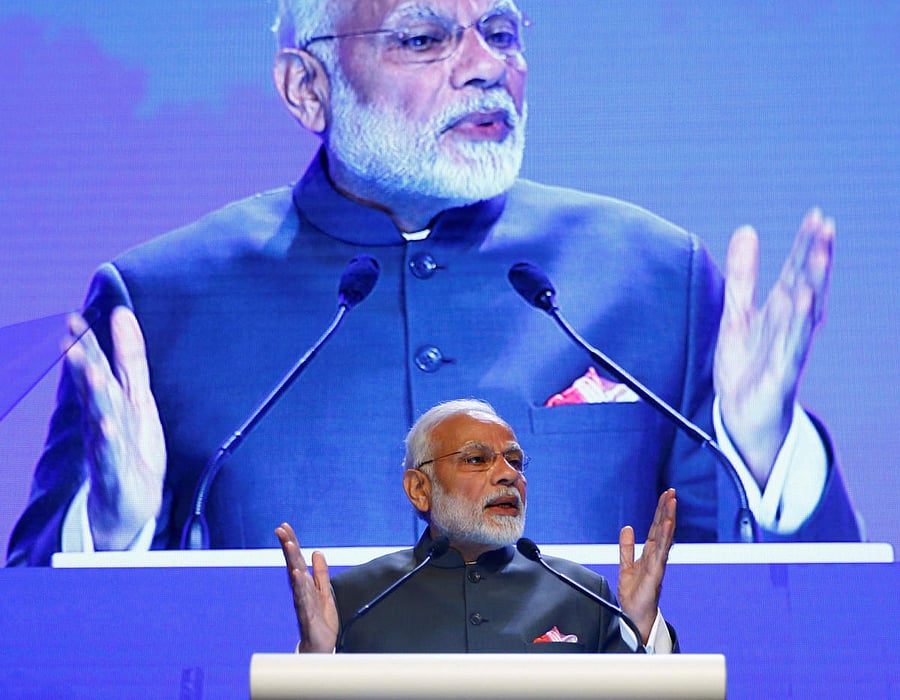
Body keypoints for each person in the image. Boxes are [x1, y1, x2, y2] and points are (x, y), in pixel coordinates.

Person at [7, 0, 860, 566]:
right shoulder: (158, 306)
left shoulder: (652, 277)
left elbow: (777, 627)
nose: (485, 64)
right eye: (424, 36)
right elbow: (40, 648)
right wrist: (109, 538)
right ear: (308, 88)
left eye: (502, 30)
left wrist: (766, 458)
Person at [276, 399, 678, 653]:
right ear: (419, 489)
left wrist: (642, 625)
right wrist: (317, 660)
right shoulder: (355, 602)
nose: (507, 475)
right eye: (476, 459)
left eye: (515, 461)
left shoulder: (584, 595)